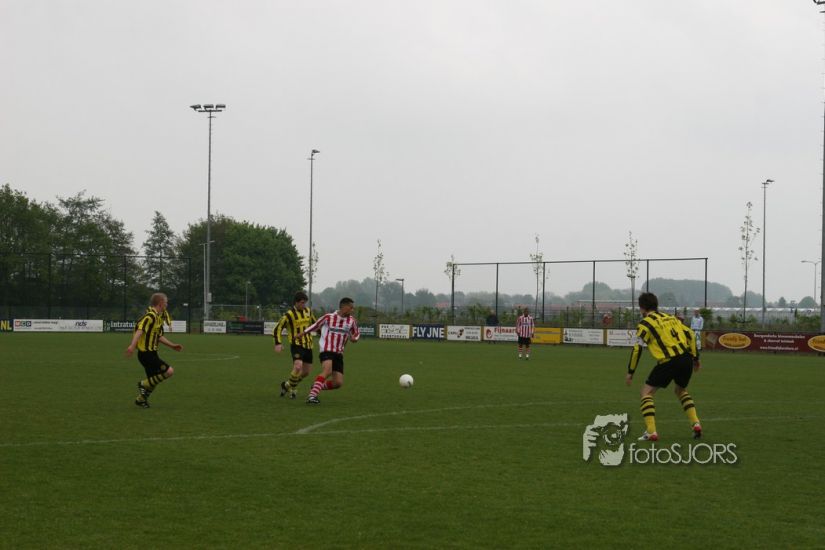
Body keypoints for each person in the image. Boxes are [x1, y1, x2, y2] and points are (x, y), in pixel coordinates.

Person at [626, 292, 702, 441]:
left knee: (646, 393)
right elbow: (690, 334)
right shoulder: (671, 318)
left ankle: (651, 432)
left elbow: (637, 349)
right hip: (686, 359)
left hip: (668, 361)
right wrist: (695, 358)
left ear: (642, 308)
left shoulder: (645, 323)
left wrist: (631, 371)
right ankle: (696, 424)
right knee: (680, 390)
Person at [297, 297, 360, 404]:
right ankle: (312, 396)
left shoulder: (351, 321)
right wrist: (302, 333)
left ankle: (316, 386)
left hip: (339, 353)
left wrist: (355, 338)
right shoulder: (328, 317)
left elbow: (356, 333)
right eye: (351, 307)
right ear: (344, 307)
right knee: (327, 371)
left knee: (338, 383)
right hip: (327, 350)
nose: (352, 310)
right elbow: (315, 325)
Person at [125, 292, 183, 408]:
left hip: (152, 353)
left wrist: (172, 346)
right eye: (166, 302)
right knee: (169, 371)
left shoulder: (157, 318)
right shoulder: (150, 316)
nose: (167, 305)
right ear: (160, 303)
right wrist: (132, 346)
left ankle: (141, 400)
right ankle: (143, 384)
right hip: (146, 354)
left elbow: (158, 336)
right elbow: (139, 330)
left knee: (153, 381)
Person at [273, 291, 317, 399]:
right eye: (302, 303)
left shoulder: (308, 311)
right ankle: (292, 389)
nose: (304, 305)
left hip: (308, 345)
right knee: (298, 366)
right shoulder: (289, 314)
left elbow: (316, 325)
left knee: (306, 372)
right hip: (296, 345)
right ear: (296, 302)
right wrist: (278, 343)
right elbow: (278, 328)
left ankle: (287, 385)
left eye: (305, 303)